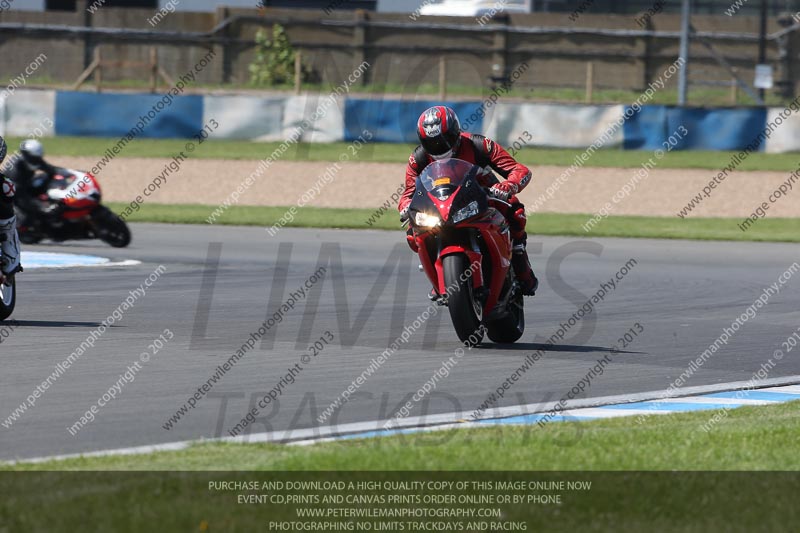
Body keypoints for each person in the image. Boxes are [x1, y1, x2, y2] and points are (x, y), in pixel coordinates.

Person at [399, 106, 538, 296]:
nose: (440, 146)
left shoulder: (478, 145)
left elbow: (519, 170)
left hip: (481, 197)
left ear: (456, 132)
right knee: (412, 231)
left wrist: (506, 187)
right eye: (431, 143)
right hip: (441, 205)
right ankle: (439, 276)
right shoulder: (418, 158)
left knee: (515, 211)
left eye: (445, 139)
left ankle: (521, 263)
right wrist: (405, 206)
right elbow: (408, 193)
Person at [4, 139, 68, 228]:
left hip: (25, 185)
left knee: (43, 177)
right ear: (26, 155)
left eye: (37, 158)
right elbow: (20, 195)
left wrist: (67, 172)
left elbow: (50, 169)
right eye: (34, 159)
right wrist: (40, 206)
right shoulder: (14, 170)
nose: (36, 161)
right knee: (25, 220)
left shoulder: (33, 160)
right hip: (12, 194)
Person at [0, 136, 23, 281]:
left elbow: (10, 194)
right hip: (5, 220)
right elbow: (10, 194)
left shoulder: (4, 181)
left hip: (3, 221)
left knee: (8, 227)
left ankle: (10, 255)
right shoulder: (5, 181)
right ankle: (10, 254)